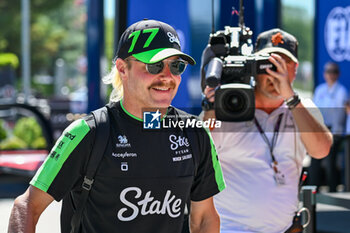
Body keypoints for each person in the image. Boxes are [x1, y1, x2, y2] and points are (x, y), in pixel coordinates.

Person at [8, 19, 226, 233]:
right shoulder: (88, 132)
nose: (167, 77)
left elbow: (204, 218)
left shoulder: (195, 132)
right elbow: (27, 206)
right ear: (123, 69)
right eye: (155, 65)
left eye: (176, 66)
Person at [202, 28, 332, 233]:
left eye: (282, 64)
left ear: (295, 69)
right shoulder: (229, 106)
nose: (274, 72)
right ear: (254, 67)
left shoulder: (302, 109)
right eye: (267, 64)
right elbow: (201, 155)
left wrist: (291, 98)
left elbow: (321, 150)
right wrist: (210, 107)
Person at [310, 62, 348, 192]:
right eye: (328, 72)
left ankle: (332, 189)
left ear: (337, 74)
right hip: (320, 130)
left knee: (331, 162)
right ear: (324, 74)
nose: (330, 75)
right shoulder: (320, 90)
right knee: (315, 160)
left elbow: (338, 114)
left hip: (334, 131)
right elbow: (315, 110)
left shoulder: (341, 91)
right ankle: (313, 189)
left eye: (333, 72)